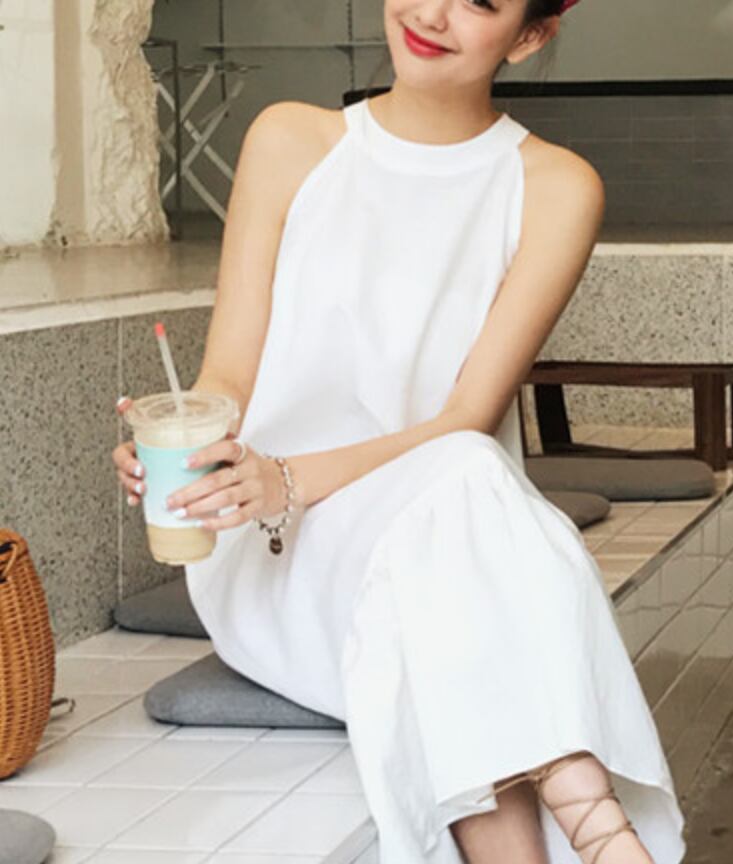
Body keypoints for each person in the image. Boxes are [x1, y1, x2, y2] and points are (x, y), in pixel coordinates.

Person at [113, 1, 687, 862]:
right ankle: (600, 827)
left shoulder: (556, 187)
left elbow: (465, 418)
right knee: (470, 513)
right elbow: (227, 373)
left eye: (480, 2)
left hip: (444, 529)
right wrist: (188, 448)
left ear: (531, 35)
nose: (431, 12)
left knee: (461, 492)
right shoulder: (290, 141)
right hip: (280, 551)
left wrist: (287, 473)